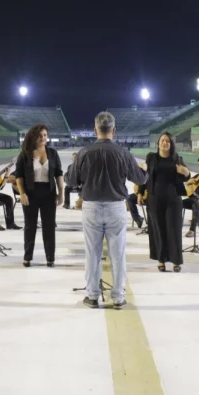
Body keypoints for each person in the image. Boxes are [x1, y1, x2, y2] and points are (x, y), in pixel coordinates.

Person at [69, 111, 146, 309]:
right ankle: (118, 296)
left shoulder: (84, 153)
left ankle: (93, 295)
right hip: (116, 206)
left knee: (92, 253)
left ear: (95, 130)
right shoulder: (123, 153)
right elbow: (140, 178)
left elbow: (70, 180)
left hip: (92, 206)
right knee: (118, 254)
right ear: (114, 131)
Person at [138, 132, 191, 272]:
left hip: (173, 199)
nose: (165, 143)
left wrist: (185, 172)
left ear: (171, 144)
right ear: (158, 143)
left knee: (174, 230)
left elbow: (186, 177)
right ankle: (161, 259)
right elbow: (145, 176)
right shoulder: (151, 158)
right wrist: (140, 193)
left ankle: (175, 260)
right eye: (162, 140)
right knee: (158, 230)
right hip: (155, 198)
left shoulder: (177, 159)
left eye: (167, 141)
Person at [14, 124, 64, 267]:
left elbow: (59, 174)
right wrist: (22, 194)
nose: (43, 138)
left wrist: (61, 193)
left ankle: (50, 258)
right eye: (40, 135)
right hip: (31, 193)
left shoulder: (53, 153)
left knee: (49, 226)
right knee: (30, 226)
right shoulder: (25, 153)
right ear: (34, 137)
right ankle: (27, 256)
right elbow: (19, 176)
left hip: (48, 193)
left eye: (45, 135)